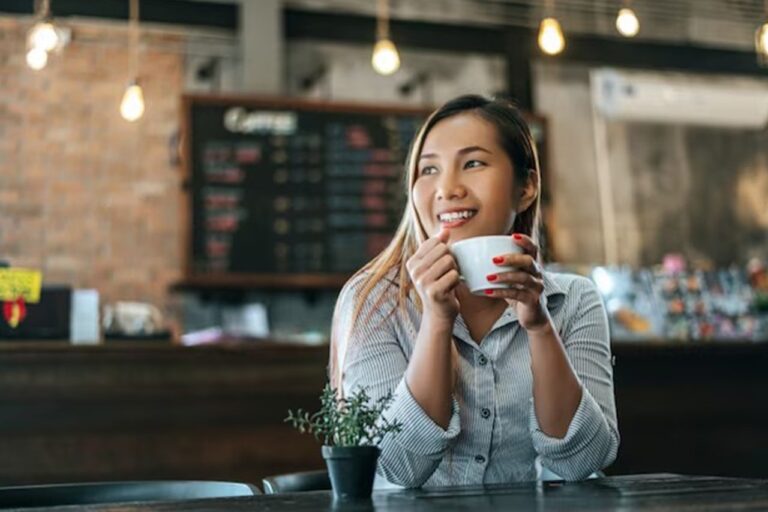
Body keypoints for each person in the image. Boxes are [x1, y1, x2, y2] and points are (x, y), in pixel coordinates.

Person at [329, 94, 619, 488]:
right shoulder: (374, 300)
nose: (447, 188)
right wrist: (436, 321)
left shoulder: (573, 300)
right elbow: (398, 467)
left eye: (473, 163)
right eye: (428, 169)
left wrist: (538, 327)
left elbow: (583, 461)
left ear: (527, 187)